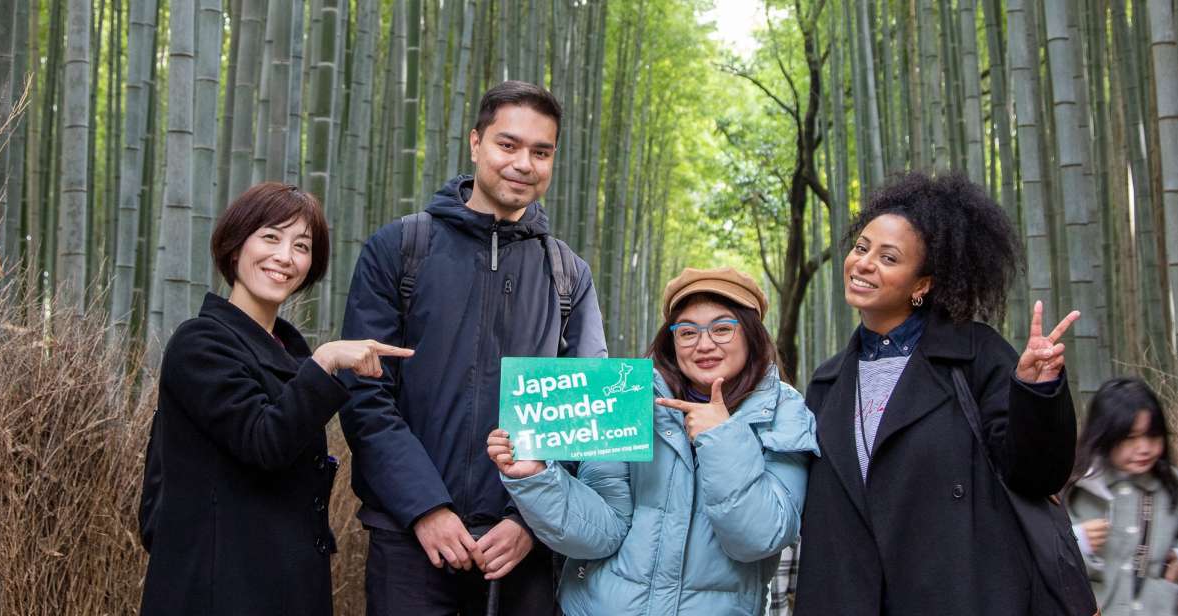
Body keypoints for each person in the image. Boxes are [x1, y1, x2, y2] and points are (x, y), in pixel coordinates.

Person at [339, 81, 607, 615]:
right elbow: (364, 396)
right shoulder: (400, 249)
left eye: (541, 152)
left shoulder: (567, 275)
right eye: (508, 145)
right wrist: (426, 509)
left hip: (521, 550)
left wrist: (529, 520)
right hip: (409, 539)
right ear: (475, 143)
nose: (524, 164)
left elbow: (584, 415)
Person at [793, 171, 1082, 615]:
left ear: (922, 284)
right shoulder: (827, 382)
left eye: (889, 258)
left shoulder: (975, 356)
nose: (864, 264)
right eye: (861, 247)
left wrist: (1035, 390)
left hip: (955, 593)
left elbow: (1036, 475)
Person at [138, 182, 413, 615]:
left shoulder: (289, 352)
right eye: (270, 237)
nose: (285, 256)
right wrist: (325, 361)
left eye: (301, 246)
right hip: (220, 591)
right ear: (235, 247)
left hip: (284, 587)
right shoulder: (201, 343)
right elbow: (264, 442)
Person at [486, 267, 819, 616]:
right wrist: (537, 478)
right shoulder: (629, 399)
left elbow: (759, 538)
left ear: (751, 333)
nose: (704, 344)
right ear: (671, 341)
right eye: (687, 332)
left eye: (722, 328)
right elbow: (602, 533)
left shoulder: (784, 411)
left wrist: (722, 437)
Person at [1066, 377, 1178, 615]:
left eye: (1153, 435)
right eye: (1130, 438)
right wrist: (1076, 540)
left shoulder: (1171, 485)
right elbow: (1044, 560)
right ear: (1104, 435)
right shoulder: (1074, 488)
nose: (1144, 448)